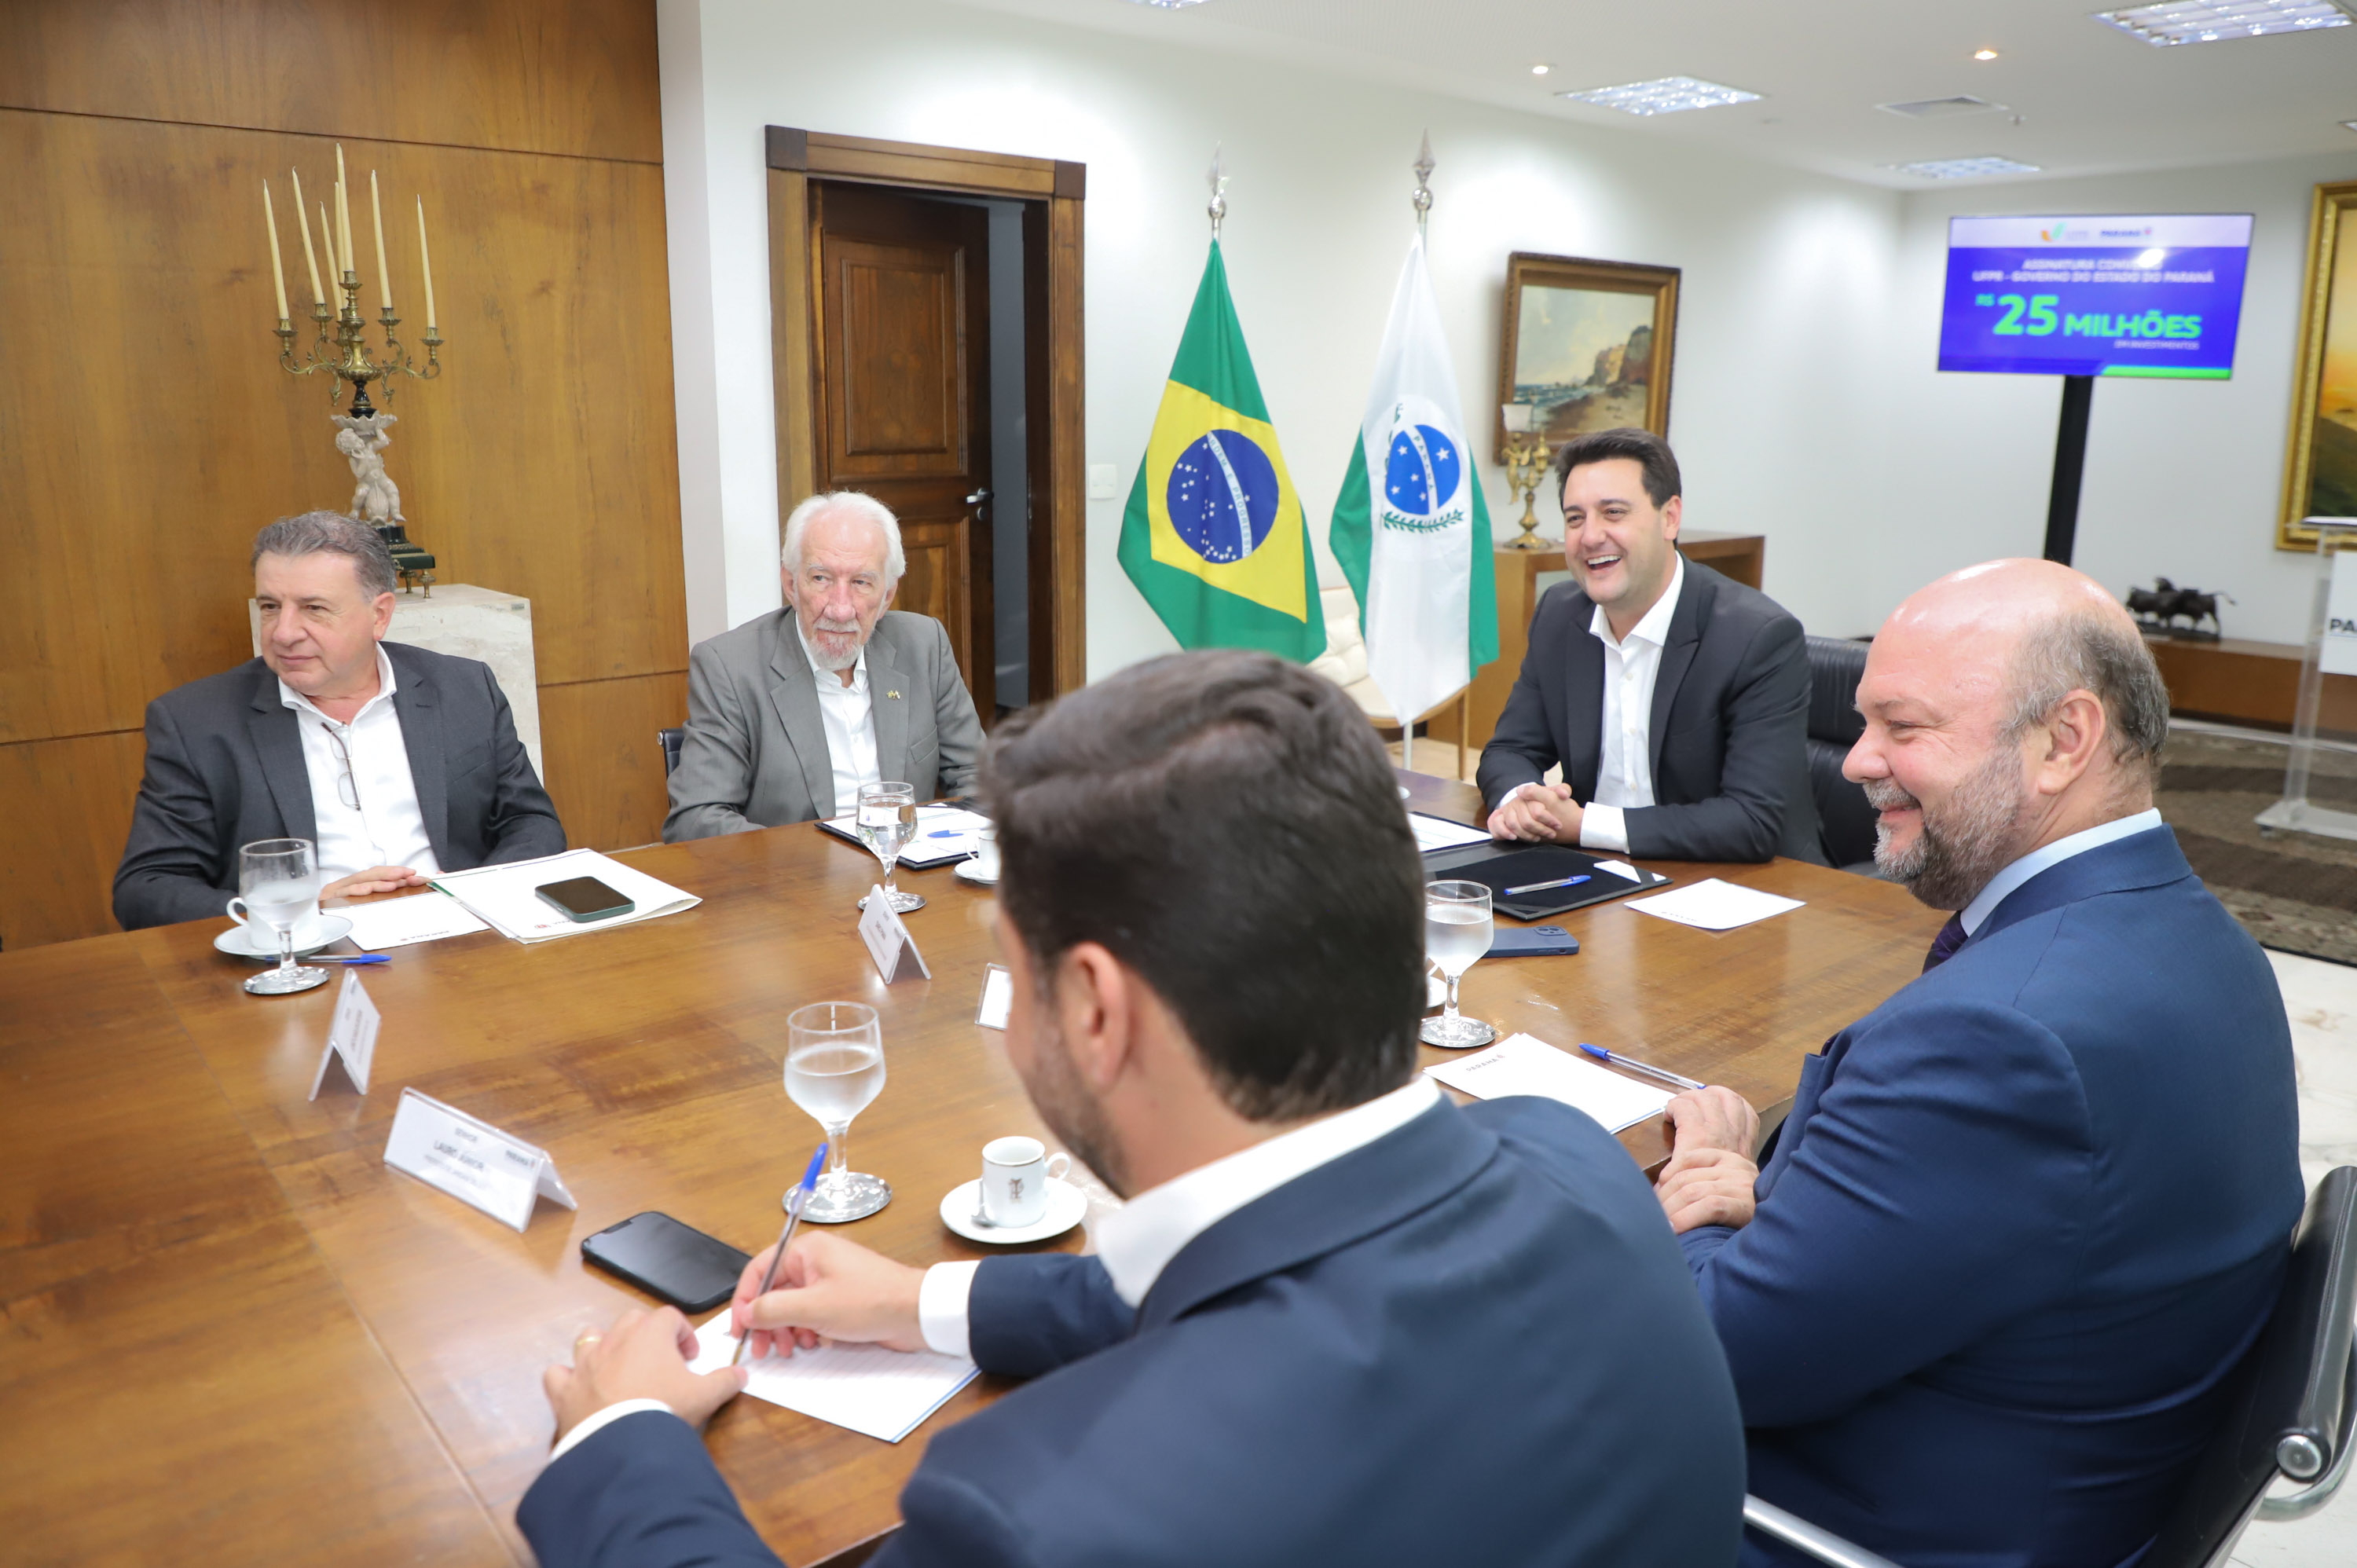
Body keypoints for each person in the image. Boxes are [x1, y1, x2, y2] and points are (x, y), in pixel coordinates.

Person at [524, 649, 1748, 1568]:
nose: (1005, 1029)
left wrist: (619, 1446)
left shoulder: (1035, 1514)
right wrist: (927, 1302)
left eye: (1012, 979)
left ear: (1099, 1013)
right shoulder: (1576, 1162)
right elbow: (1294, 1269)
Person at [1652, 559, 2302, 1567]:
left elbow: (1707, 1352)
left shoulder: (1999, 1042)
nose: (1858, 762)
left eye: (1903, 729)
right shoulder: (2209, 942)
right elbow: (1978, 1222)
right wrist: (1781, 1201)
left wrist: (1687, 1191)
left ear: (2063, 741)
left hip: (1840, 1522)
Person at [113, 513, 564, 930]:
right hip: (306, 957)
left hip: (461, 935)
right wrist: (301, 911)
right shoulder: (196, 721)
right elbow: (146, 889)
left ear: (379, 615)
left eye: (314, 608)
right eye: (270, 606)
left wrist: (469, 896)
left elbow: (532, 822)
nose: (284, 632)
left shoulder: (463, 688)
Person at [1479, 427, 1820, 863]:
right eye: (1575, 518)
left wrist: (1583, 825)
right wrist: (1521, 804)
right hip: (1599, 871)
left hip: (1745, 887)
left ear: (1670, 518)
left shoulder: (1757, 637)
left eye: (1614, 513)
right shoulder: (1560, 615)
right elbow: (1509, 749)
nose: (1590, 537)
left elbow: (1752, 820)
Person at [664, 491, 984, 839]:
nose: (840, 609)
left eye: (861, 582)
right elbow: (696, 820)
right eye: (821, 579)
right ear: (791, 584)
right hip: (795, 883)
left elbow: (980, 779)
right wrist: (821, 865)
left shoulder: (924, 644)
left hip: (908, 876)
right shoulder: (729, 666)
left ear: (887, 596)